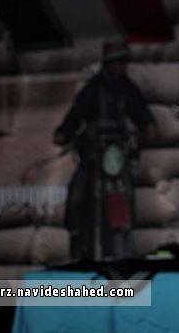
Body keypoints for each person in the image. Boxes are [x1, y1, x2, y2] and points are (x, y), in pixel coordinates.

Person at [54, 40, 156, 260]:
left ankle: (123, 251)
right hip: (93, 155)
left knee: (125, 199)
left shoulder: (127, 89)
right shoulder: (92, 89)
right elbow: (75, 115)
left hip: (116, 157)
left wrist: (148, 126)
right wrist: (64, 133)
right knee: (77, 197)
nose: (120, 67)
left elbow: (141, 113)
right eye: (116, 63)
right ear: (108, 64)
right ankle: (78, 247)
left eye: (123, 63)